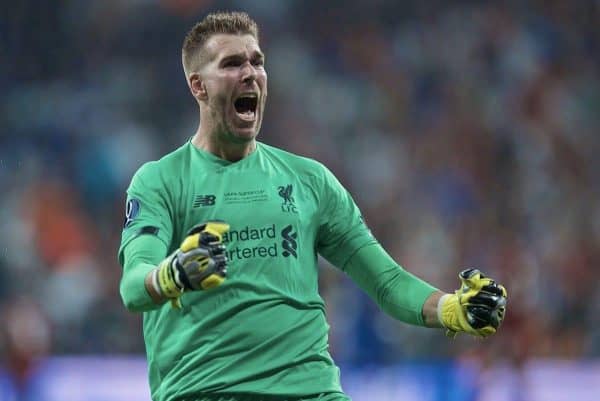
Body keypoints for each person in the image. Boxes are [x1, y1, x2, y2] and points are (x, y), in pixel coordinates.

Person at [118, 11, 507, 401]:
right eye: (232, 63)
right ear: (198, 86)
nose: (250, 73)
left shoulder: (309, 181)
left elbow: (387, 282)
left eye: (257, 61)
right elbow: (134, 285)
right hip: (207, 392)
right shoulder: (160, 181)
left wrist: (453, 308)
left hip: (311, 392)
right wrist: (171, 275)